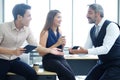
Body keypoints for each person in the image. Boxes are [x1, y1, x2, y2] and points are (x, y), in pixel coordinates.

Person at [0, 3, 63, 80]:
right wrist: (13, 52)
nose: (31, 18)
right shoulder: (3, 27)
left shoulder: (27, 30)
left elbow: (36, 45)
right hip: (1, 60)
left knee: (32, 74)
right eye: (28, 16)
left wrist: (50, 50)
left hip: (14, 60)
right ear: (19, 17)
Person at [69, 3, 120, 80]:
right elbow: (86, 49)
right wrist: (76, 52)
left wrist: (85, 51)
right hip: (102, 63)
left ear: (98, 14)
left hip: (116, 65)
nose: (87, 15)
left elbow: (105, 49)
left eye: (90, 12)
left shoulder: (111, 26)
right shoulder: (92, 30)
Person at [39, 10, 76, 80]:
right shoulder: (45, 32)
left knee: (71, 76)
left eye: (61, 18)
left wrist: (63, 45)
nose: (61, 20)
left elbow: (59, 50)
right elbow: (41, 53)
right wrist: (57, 44)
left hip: (60, 58)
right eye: (58, 17)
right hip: (49, 60)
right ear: (51, 18)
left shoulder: (59, 31)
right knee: (67, 75)